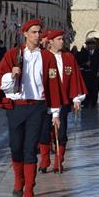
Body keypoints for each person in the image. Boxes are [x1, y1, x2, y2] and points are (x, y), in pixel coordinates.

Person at [0, 20, 64, 197]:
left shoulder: (47, 57)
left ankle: (29, 192)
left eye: (39, 32)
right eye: (33, 32)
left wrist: (55, 112)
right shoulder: (13, 54)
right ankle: (19, 181)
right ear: (25, 33)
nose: (37, 35)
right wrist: (12, 74)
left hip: (38, 107)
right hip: (17, 106)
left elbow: (53, 84)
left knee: (30, 148)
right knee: (15, 146)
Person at [40, 29, 86, 173]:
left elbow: (75, 78)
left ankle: (59, 161)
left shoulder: (69, 57)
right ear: (51, 42)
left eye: (62, 39)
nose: (62, 41)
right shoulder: (42, 56)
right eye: (59, 39)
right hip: (45, 100)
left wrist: (77, 98)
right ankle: (45, 159)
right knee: (44, 131)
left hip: (63, 100)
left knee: (61, 132)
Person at [77, 38, 99, 108]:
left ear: (94, 45)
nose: (90, 46)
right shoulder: (84, 52)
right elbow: (79, 62)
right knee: (86, 88)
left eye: (92, 44)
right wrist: (85, 64)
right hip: (86, 74)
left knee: (95, 88)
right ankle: (85, 102)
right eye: (88, 44)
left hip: (95, 73)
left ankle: (93, 103)